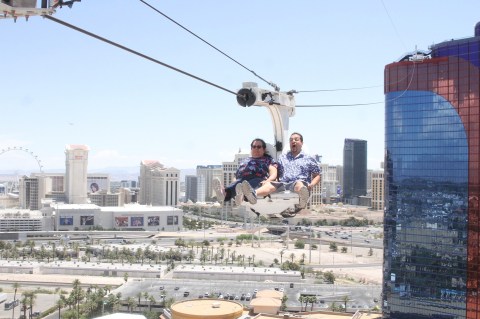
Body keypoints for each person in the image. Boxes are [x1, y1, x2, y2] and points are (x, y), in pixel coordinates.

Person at [242, 132, 321, 209]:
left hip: (297, 183)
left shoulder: (309, 158)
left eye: (296, 139)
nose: (293, 141)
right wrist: (270, 181)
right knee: (270, 185)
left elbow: (317, 175)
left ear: (302, 143)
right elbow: (277, 172)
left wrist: (311, 185)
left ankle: (302, 199)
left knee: (299, 184)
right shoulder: (282, 157)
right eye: (291, 140)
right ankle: (252, 194)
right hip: (283, 183)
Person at [213, 138, 278, 205]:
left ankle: (244, 196)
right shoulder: (245, 160)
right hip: (242, 179)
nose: (256, 149)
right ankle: (223, 194)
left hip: (258, 178)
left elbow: (273, 172)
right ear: (251, 149)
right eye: (254, 147)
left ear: (264, 150)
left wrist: (268, 181)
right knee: (237, 183)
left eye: (259, 147)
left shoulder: (268, 160)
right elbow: (236, 175)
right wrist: (235, 182)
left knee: (247, 184)